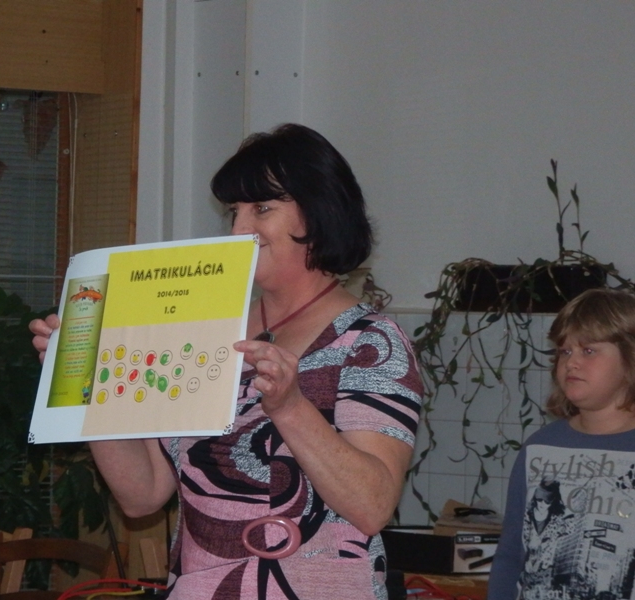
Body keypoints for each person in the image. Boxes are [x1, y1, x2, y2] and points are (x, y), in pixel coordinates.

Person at [31, 123, 423, 599]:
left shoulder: (371, 342)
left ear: (320, 212)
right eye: (234, 212)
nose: (239, 230)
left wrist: (291, 407)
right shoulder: (202, 328)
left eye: (262, 208)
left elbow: (372, 506)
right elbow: (141, 495)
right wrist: (92, 382)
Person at [487, 288, 635, 599]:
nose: (572, 363)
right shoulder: (540, 447)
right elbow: (511, 553)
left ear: (630, 359)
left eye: (588, 350)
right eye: (565, 352)